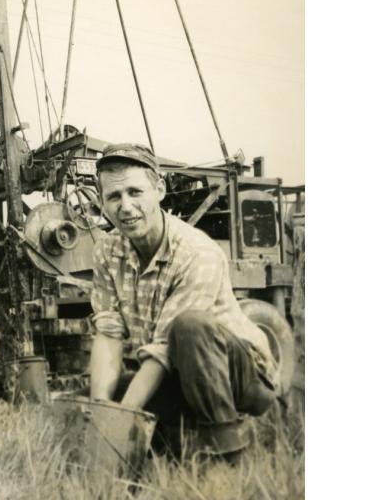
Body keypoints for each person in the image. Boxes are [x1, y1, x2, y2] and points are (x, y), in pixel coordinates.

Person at [88, 142, 279, 456]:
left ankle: (227, 453)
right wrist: (100, 413)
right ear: (102, 203)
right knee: (86, 403)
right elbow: (108, 332)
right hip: (177, 371)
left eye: (135, 192)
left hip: (246, 376)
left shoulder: (196, 251)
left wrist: (117, 427)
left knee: (189, 327)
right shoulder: (107, 251)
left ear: (159, 189)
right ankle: (175, 443)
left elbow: (164, 349)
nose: (125, 206)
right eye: (114, 196)